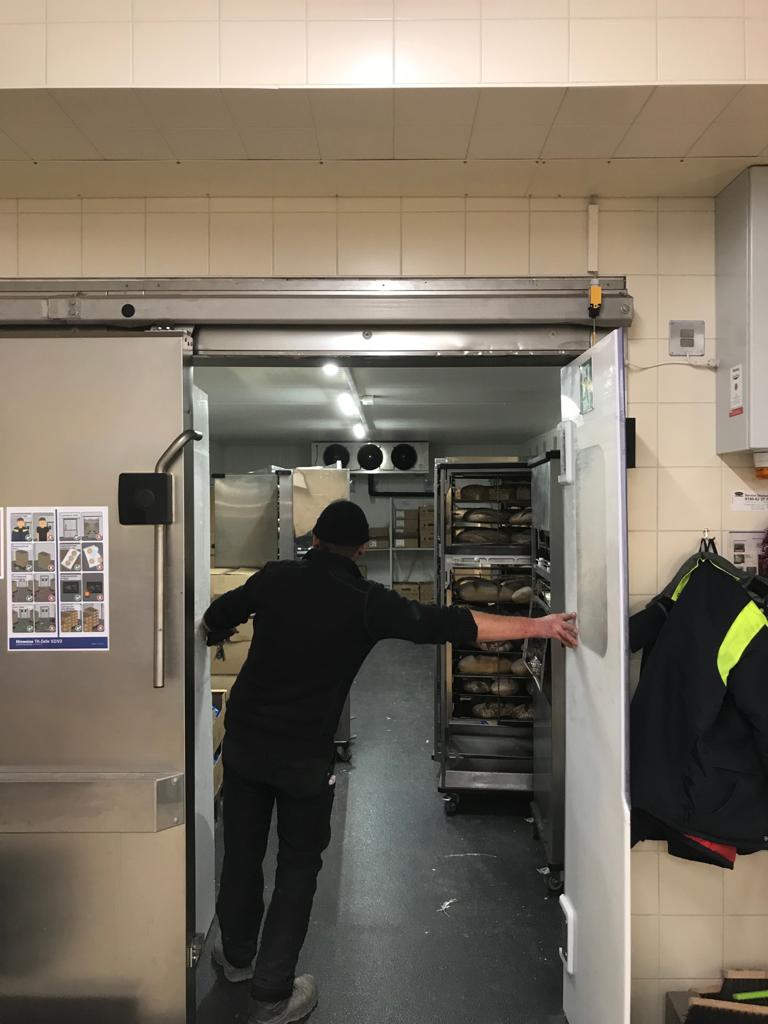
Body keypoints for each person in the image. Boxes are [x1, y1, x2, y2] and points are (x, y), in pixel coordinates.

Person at [203, 500, 578, 1024]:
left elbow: (217, 616)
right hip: (304, 756)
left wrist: (218, 632)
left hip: (245, 742)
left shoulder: (275, 577)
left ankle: (237, 957)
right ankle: (271, 995)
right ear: (361, 549)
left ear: (314, 537)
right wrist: (541, 627)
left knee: (241, 853)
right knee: (298, 867)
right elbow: (453, 623)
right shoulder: (368, 602)